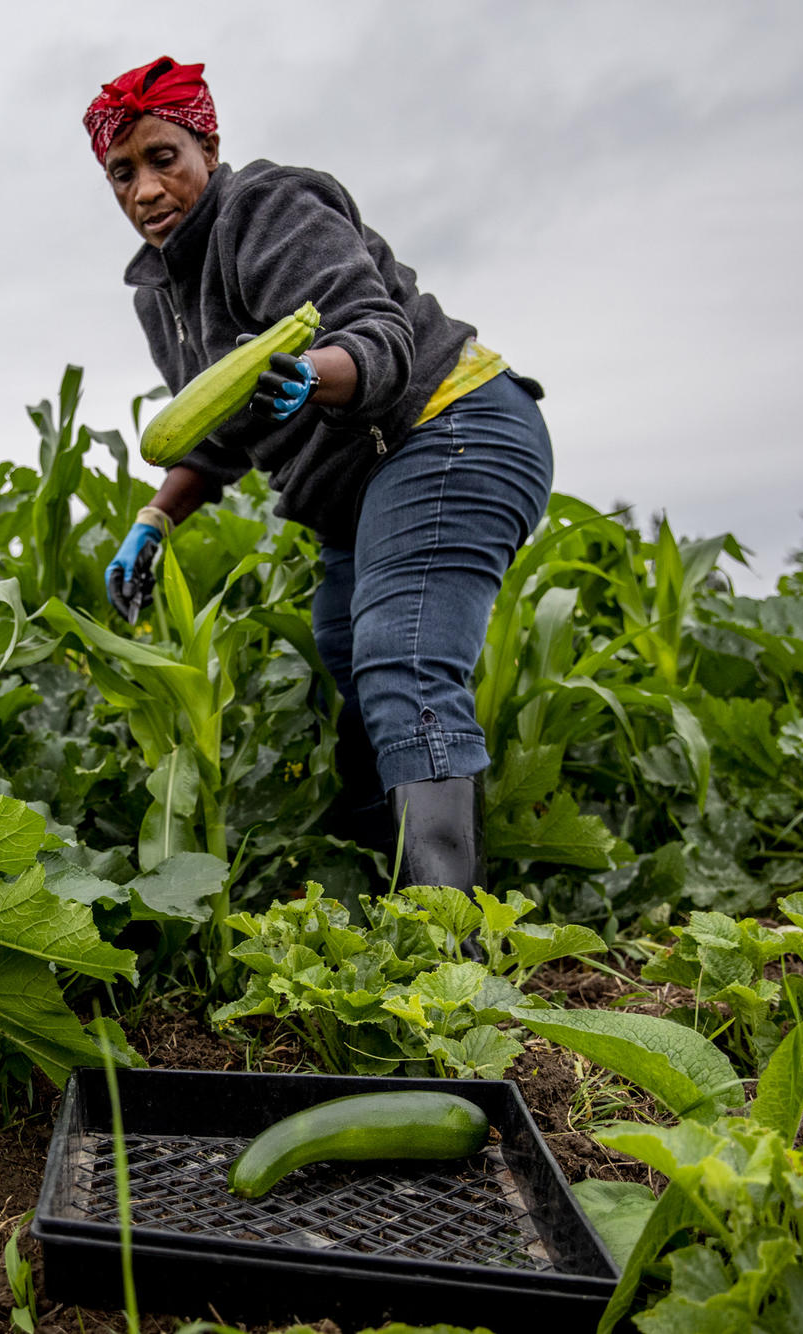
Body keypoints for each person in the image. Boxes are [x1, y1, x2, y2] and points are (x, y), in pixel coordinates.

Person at [90, 56, 553, 895]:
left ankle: (451, 957)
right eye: (121, 173)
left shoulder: (263, 208)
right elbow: (219, 436)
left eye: (164, 158)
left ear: (208, 146)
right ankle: (387, 916)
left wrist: (320, 372)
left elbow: (376, 331)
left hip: (451, 424)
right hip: (362, 488)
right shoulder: (161, 299)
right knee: (353, 668)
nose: (145, 189)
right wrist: (154, 519)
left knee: (401, 660)